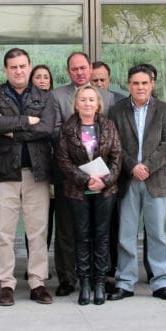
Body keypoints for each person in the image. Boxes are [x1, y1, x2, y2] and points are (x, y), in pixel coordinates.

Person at [0, 47, 58, 306]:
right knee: (3, 232)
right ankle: (6, 283)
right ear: (5, 69)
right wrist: (28, 119)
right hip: (4, 173)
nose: (18, 71)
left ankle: (38, 282)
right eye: (13, 67)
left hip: (36, 173)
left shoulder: (46, 96)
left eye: (22, 66)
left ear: (29, 67)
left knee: (37, 231)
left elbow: (47, 128)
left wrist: (12, 128)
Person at [108, 64, 166, 301]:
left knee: (157, 233)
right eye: (135, 83)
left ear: (152, 85)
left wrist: (147, 166)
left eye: (144, 83)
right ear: (128, 85)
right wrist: (132, 166)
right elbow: (114, 144)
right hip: (128, 180)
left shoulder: (164, 110)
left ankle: (160, 282)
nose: (140, 87)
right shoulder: (117, 110)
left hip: (155, 179)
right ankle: (125, 282)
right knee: (126, 234)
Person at [55, 84, 122, 305]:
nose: (87, 103)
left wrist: (104, 181)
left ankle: (100, 283)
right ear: (76, 103)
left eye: (91, 99)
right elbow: (63, 160)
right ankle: (84, 283)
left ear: (98, 103)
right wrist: (85, 180)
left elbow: (116, 157)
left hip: (105, 190)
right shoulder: (68, 128)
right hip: (77, 190)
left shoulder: (108, 125)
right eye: (83, 99)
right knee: (82, 236)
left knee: (101, 236)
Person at [48, 52, 104, 297]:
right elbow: (54, 132)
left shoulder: (109, 97)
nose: (79, 72)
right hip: (68, 175)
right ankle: (67, 278)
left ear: (90, 69)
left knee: (98, 229)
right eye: (74, 69)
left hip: (101, 178)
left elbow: (112, 136)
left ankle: (96, 277)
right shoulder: (57, 96)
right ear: (68, 71)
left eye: (83, 68)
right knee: (67, 230)